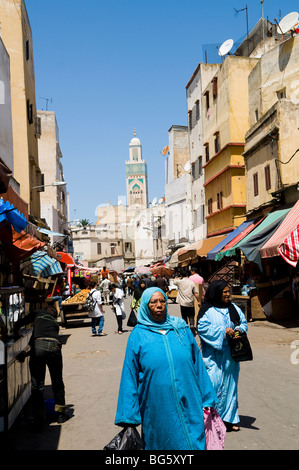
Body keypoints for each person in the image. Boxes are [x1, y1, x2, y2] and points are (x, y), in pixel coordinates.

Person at [114, 287, 218, 450]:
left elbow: (198, 364)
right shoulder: (138, 335)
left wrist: (207, 397)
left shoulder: (181, 329)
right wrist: (128, 416)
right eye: (153, 301)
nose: (159, 305)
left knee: (194, 439)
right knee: (162, 442)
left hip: (190, 399)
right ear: (146, 306)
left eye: (162, 301)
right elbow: (129, 376)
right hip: (156, 404)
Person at [197, 280, 248, 432]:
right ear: (216, 293)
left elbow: (243, 323)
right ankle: (211, 420)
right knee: (214, 385)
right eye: (224, 292)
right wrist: (222, 331)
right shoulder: (207, 310)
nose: (227, 294)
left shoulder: (234, 308)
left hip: (230, 355)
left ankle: (230, 419)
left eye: (228, 291)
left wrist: (238, 330)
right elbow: (202, 327)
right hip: (213, 355)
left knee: (230, 387)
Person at [14, 299, 68, 431]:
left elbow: (35, 341)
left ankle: (38, 419)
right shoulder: (54, 323)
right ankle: (60, 414)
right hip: (55, 347)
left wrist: (16, 331)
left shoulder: (38, 313)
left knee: (37, 384)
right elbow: (45, 340)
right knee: (57, 381)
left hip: (39, 347)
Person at [172, 269, 200, 335]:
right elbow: (196, 293)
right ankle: (192, 325)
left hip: (183, 303)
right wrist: (198, 301)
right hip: (190, 302)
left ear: (181, 275)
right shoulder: (191, 282)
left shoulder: (179, 282)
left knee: (184, 317)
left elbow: (174, 281)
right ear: (187, 275)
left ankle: (186, 328)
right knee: (191, 316)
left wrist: (178, 277)